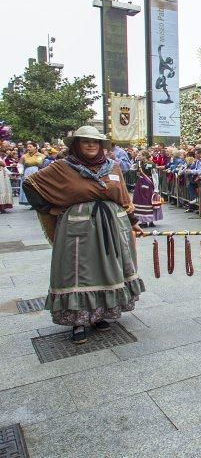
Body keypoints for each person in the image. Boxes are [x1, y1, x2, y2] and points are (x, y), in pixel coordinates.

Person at [22, 126, 145, 344]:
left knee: (107, 271)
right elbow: (31, 184)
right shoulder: (62, 167)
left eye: (95, 142)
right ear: (77, 145)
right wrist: (49, 209)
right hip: (78, 229)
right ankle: (79, 320)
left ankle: (99, 315)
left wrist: (133, 222)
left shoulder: (113, 167)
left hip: (113, 227)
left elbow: (123, 197)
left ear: (101, 146)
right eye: (85, 141)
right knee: (78, 271)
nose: (91, 145)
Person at [132, 152, 163, 227]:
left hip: (148, 184)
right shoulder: (139, 164)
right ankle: (143, 221)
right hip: (140, 184)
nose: (138, 156)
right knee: (141, 202)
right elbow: (136, 172)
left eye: (140, 155)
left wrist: (156, 188)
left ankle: (151, 220)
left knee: (149, 201)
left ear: (145, 156)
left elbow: (155, 175)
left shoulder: (151, 164)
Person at [18, 142, 44, 206]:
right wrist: (21, 172)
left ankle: (38, 201)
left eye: (30, 147)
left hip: (37, 171)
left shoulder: (40, 155)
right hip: (27, 172)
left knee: (36, 187)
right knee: (28, 187)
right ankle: (29, 201)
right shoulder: (24, 156)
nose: (28, 148)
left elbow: (41, 163)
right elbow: (20, 164)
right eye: (28, 147)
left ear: (35, 147)